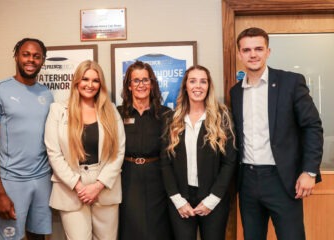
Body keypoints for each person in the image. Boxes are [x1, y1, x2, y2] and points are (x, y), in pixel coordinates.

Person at [230, 27, 324, 240]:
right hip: (247, 181)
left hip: (282, 180)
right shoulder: (235, 92)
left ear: (268, 52)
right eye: (246, 50)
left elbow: (312, 127)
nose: (253, 54)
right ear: (239, 54)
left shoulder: (290, 82)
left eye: (258, 49)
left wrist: (309, 171)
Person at [0, 38, 54, 240]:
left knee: (38, 236)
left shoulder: (47, 94)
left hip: (42, 179)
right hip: (11, 181)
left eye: (37, 56)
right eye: (26, 54)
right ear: (16, 57)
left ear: (42, 61)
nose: (31, 60)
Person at [44, 60, 125, 240]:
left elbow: (118, 152)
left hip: (104, 185)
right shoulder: (58, 110)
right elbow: (54, 153)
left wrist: (98, 185)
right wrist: (78, 186)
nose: (90, 85)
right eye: (85, 79)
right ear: (76, 82)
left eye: (95, 80)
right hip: (71, 186)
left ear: (100, 84)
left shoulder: (110, 110)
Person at [161, 65, 236, 240]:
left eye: (203, 81)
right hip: (180, 200)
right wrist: (178, 200)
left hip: (213, 199)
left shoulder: (222, 117)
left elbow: (229, 162)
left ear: (209, 86)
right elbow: (165, 163)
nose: (198, 86)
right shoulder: (171, 119)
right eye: (193, 81)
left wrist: (212, 200)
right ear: (185, 86)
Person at [117, 60, 173, 240]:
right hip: (127, 176)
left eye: (145, 80)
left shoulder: (166, 114)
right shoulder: (117, 114)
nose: (141, 85)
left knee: (158, 229)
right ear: (129, 86)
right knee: (130, 227)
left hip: (158, 177)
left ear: (152, 84)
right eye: (136, 81)